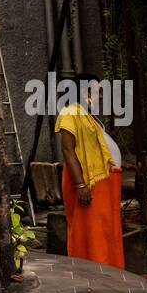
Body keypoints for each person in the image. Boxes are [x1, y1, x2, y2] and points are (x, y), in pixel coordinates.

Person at [55, 72, 130, 269]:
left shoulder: (87, 114)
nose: (100, 95)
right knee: (90, 232)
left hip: (104, 181)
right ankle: (92, 274)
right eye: (97, 91)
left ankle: (109, 271)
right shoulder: (70, 112)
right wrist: (81, 184)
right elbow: (67, 150)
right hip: (87, 183)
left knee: (105, 230)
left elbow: (97, 148)